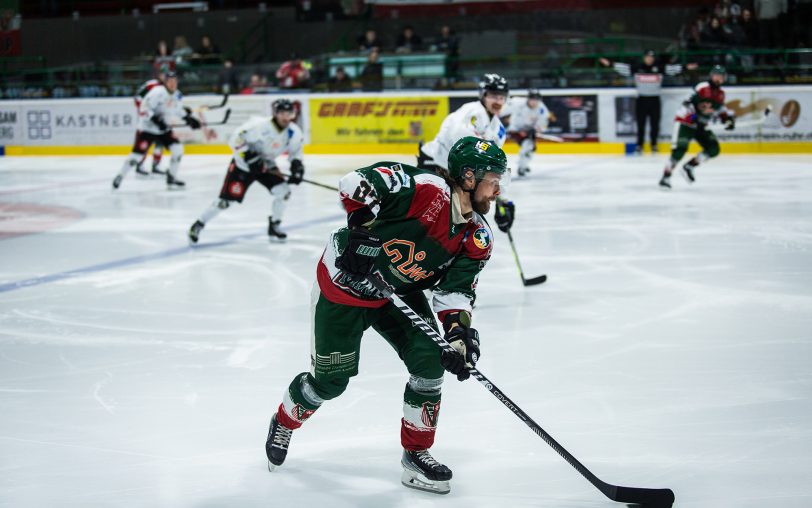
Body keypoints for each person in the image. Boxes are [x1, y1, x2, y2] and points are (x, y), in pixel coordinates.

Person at [264, 136, 509, 495]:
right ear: (468, 178)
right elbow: (354, 182)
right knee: (330, 383)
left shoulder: (478, 238)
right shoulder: (426, 189)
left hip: (397, 295)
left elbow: (454, 291)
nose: (498, 189)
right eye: (493, 179)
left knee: (430, 361)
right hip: (344, 289)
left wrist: (458, 335)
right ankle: (284, 420)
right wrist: (361, 230)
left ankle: (416, 453)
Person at [188, 99, 304, 243]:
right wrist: (249, 156)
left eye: (290, 113)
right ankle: (199, 224)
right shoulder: (259, 126)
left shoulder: (293, 132)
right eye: (283, 114)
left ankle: (275, 225)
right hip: (242, 166)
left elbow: (296, 152)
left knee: (284, 192)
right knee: (225, 202)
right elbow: (235, 139)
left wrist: (297, 167)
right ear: (276, 113)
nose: (286, 118)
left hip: (266, 166)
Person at [418, 73, 515, 233]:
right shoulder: (471, 112)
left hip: (459, 175)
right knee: (429, 218)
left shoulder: (499, 130)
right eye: (493, 95)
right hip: (434, 166)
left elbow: (494, 168)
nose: (498, 101)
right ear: (483, 95)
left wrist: (502, 199)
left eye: (501, 97)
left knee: (458, 221)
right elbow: (461, 146)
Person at [112, 71, 201, 190]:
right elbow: (145, 107)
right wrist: (155, 120)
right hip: (147, 129)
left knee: (178, 150)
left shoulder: (178, 95)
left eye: (175, 81)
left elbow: (178, 110)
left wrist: (189, 119)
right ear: (165, 82)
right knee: (136, 156)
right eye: (170, 81)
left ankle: (171, 177)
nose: (173, 84)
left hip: (163, 130)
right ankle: (120, 176)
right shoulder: (157, 92)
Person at [600, 50, 695, 154]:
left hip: (655, 99)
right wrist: (610, 64)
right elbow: (624, 68)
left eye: (651, 57)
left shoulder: (660, 68)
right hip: (642, 99)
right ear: (644, 58)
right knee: (641, 124)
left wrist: (686, 67)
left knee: (655, 123)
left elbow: (673, 69)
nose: (649, 59)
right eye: (647, 57)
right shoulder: (637, 67)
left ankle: (653, 145)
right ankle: (639, 145)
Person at [659, 65, 735, 189]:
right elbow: (687, 104)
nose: (718, 79)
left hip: (701, 126)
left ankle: (690, 166)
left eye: (721, 77)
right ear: (711, 76)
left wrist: (728, 120)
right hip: (686, 122)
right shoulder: (702, 87)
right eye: (716, 75)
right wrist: (694, 119)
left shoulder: (721, 94)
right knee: (680, 149)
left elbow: (721, 110)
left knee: (713, 149)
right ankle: (666, 176)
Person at [500, 89, 551, 177]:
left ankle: (524, 164)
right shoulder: (517, 102)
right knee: (527, 145)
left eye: (537, 100)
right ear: (528, 99)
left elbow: (543, 123)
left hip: (529, 131)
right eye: (532, 99)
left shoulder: (542, 109)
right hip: (515, 129)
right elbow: (502, 109)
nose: (534, 102)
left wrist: (535, 129)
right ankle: (522, 167)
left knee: (530, 148)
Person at [132, 66, 169, 176]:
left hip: (160, 119)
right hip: (148, 120)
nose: (165, 77)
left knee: (160, 142)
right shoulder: (151, 85)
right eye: (163, 74)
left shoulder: (169, 87)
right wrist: (145, 112)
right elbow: (138, 98)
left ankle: (156, 164)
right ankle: (140, 164)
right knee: (146, 143)